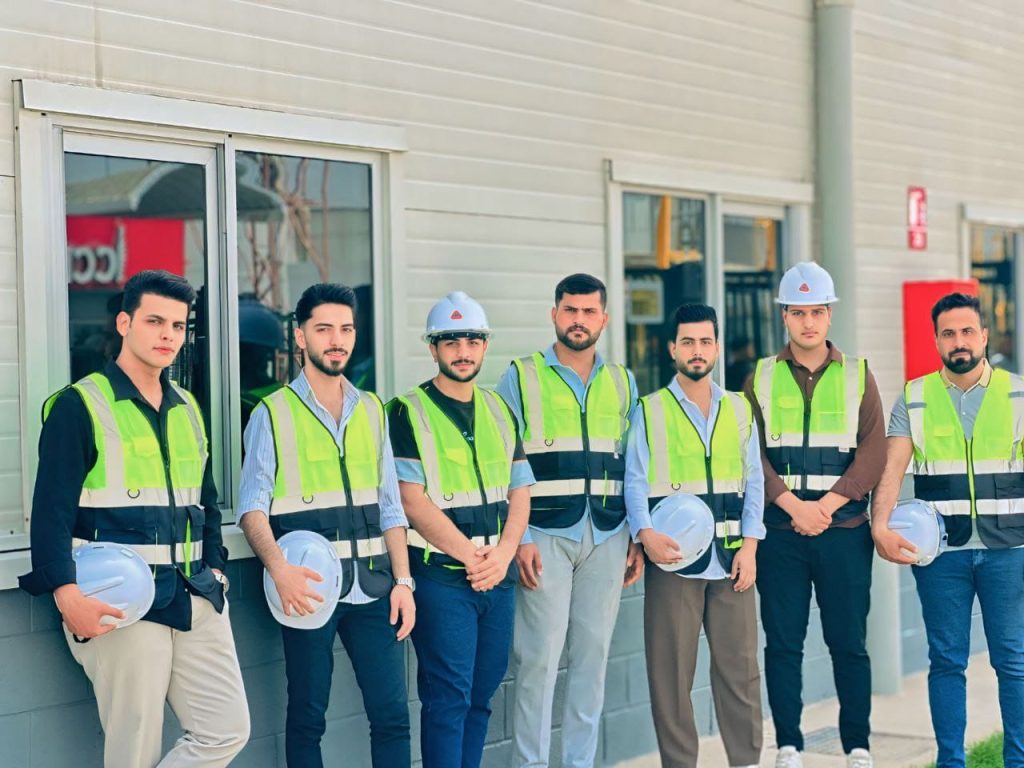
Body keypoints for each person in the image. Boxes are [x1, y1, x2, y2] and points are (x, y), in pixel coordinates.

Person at [19, 269, 250, 768]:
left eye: (178, 325)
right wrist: (67, 596)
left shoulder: (187, 406)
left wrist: (216, 566)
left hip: (195, 593)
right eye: (154, 321)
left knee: (226, 730)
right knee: (134, 751)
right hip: (121, 604)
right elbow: (51, 512)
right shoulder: (80, 405)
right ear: (124, 323)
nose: (168, 335)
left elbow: (207, 502)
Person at [238, 283, 414, 767]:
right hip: (308, 590)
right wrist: (280, 571)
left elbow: (391, 507)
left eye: (346, 329)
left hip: (375, 589)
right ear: (301, 337)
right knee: (307, 718)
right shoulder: (272, 414)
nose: (337, 340)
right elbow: (251, 509)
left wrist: (403, 582)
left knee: (393, 717)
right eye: (324, 329)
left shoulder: (373, 409)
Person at [871, 292, 1024, 768]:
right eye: (948, 333)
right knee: (946, 661)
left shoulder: (1018, 394)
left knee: (1014, 661)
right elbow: (892, 468)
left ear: (984, 336)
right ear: (937, 340)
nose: (959, 341)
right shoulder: (915, 396)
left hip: (1009, 550)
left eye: (967, 331)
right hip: (941, 555)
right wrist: (879, 525)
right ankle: (950, 762)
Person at [496, 272, 643, 768]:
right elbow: (503, 460)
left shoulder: (622, 381)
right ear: (554, 314)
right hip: (542, 535)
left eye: (588, 312)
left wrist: (635, 534)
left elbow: (635, 465)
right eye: (570, 310)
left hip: (607, 533)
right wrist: (517, 537)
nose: (579, 320)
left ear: (604, 319)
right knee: (538, 659)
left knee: (592, 659)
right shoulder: (521, 376)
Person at [743, 262, 885, 768]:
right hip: (780, 534)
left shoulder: (858, 374)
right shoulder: (760, 376)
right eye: (798, 312)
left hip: (843, 532)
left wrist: (824, 506)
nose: (808, 322)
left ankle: (857, 747)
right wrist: (791, 505)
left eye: (817, 312)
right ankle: (788, 745)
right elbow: (749, 453)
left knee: (849, 643)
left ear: (829, 316)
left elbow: (873, 453)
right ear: (784, 315)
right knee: (783, 644)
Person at [387, 291, 533, 768]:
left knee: (482, 697)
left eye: (472, 341)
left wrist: (504, 554)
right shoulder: (405, 411)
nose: (463, 351)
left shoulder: (499, 409)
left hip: (497, 579)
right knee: (448, 700)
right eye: (451, 342)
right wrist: (473, 557)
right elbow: (411, 499)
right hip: (443, 579)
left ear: (485, 346)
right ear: (433, 349)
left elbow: (520, 491)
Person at [626, 303, 764, 768]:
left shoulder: (740, 409)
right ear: (672, 349)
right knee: (670, 677)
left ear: (717, 348)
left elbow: (754, 483)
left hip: (732, 560)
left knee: (741, 673)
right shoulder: (650, 410)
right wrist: (645, 534)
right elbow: (634, 481)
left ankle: (746, 762)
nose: (697, 350)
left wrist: (750, 547)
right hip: (673, 561)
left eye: (705, 341)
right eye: (688, 341)